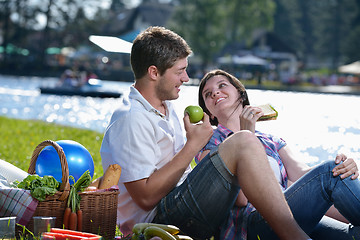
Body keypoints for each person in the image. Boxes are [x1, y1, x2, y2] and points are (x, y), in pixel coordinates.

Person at [100, 26, 311, 240]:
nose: (186, 78)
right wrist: (194, 145)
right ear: (154, 72)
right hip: (157, 220)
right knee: (243, 141)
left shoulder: (167, 107)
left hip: (181, 202)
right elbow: (145, 198)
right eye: (179, 71)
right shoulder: (131, 119)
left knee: (320, 180)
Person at [196, 69, 360, 240]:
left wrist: (342, 167)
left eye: (222, 85)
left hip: (289, 213)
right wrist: (246, 136)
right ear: (209, 113)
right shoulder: (210, 144)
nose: (215, 92)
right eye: (208, 94)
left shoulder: (271, 140)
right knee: (329, 172)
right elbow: (241, 200)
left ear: (241, 95)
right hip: (252, 224)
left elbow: (303, 174)